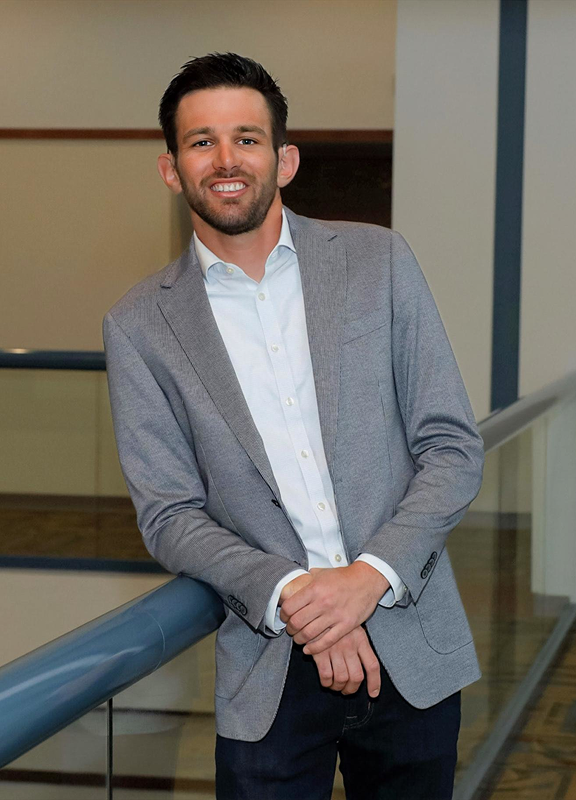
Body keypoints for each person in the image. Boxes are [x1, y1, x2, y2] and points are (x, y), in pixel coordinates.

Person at [103, 52, 484, 800]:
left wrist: (364, 582)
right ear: (172, 169)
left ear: (285, 158)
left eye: (246, 138)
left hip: (411, 642)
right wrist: (303, 601)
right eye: (201, 141)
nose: (225, 160)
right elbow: (170, 513)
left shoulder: (379, 261)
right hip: (269, 669)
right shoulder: (138, 326)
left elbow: (450, 445)